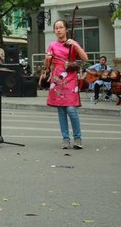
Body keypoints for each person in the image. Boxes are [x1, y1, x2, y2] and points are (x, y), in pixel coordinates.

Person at [44, 19, 88, 149]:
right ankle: (65, 138)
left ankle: (78, 137)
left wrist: (76, 45)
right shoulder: (52, 45)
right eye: (56, 28)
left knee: (71, 109)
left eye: (61, 27)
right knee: (61, 110)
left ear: (66, 29)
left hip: (70, 77)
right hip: (57, 78)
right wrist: (47, 60)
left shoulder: (72, 44)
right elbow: (47, 66)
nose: (58, 30)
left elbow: (85, 58)